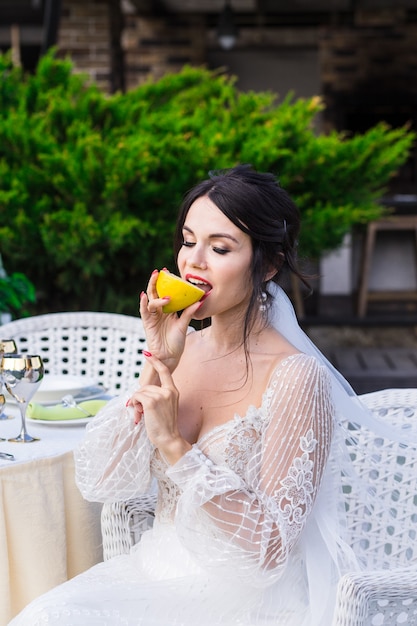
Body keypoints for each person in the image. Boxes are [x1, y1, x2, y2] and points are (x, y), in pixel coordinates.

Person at [6, 165, 405, 626]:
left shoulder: (298, 377)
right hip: (147, 576)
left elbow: (267, 551)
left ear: (268, 265)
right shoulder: (182, 350)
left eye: (219, 248)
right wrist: (157, 361)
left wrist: (177, 447)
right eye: (188, 240)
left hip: (243, 602)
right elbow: (102, 481)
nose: (194, 260)